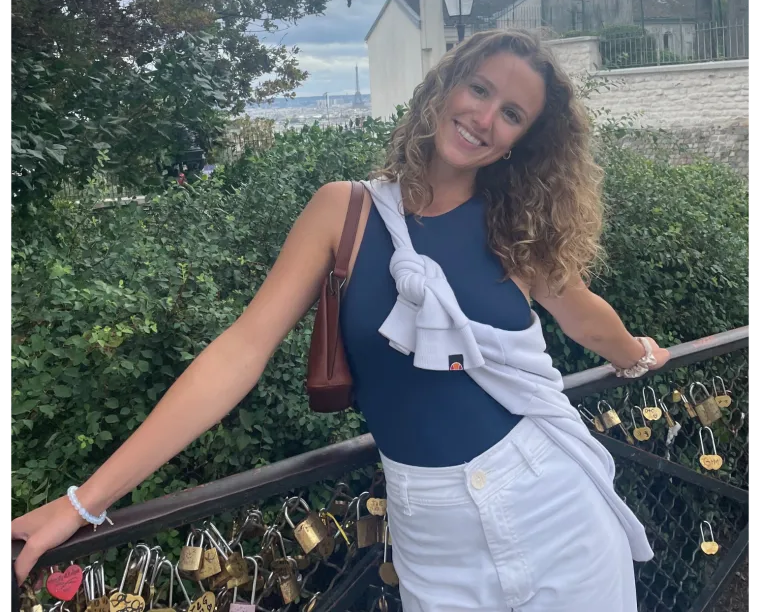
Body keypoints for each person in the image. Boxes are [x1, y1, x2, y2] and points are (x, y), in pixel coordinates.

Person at [11, 30, 669, 611]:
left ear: (516, 147)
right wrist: (84, 501)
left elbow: (585, 318)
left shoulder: (515, 230)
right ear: (445, 86)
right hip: (431, 533)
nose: (484, 117)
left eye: (512, 114)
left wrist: (637, 352)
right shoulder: (342, 214)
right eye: (479, 88)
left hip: (551, 503)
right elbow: (241, 351)